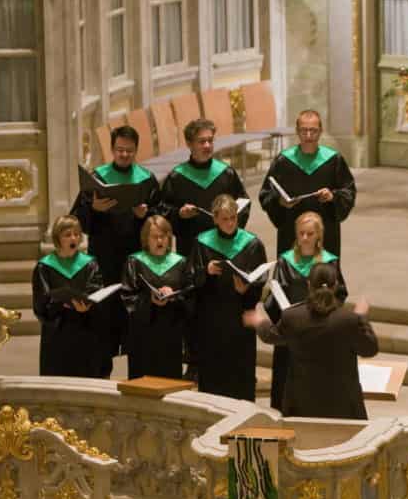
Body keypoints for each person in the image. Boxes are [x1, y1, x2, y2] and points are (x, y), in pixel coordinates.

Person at [70, 125, 160, 377]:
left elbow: (161, 222)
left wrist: (146, 215)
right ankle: (101, 377)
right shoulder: (98, 178)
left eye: (129, 151)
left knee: (136, 321)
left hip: (136, 262)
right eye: (119, 150)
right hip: (105, 260)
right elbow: (76, 221)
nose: (124, 155)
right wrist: (94, 209)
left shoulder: (146, 179)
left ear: (136, 151)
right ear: (112, 149)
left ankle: (139, 378)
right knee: (104, 321)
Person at [243, 264, 378, 419]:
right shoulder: (348, 320)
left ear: (308, 285)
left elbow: (271, 335)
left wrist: (260, 321)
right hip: (343, 407)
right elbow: (370, 349)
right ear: (335, 286)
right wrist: (361, 317)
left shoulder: (292, 317)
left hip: (301, 407)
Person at [186, 194, 267, 401]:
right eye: (225, 218)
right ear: (214, 218)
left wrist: (246, 291)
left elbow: (260, 278)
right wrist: (206, 271)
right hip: (211, 318)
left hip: (239, 317)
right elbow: (190, 278)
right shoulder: (202, 242)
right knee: (214, 373)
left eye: (233, 218)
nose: (230, 223)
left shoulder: (252, 244)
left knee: (241, 372)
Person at [264, 211, 347, 412]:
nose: (304, 238)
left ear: (318, 236)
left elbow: (340, 294)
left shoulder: (329, 262)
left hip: (319, 328)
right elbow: (276, 295)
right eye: (301, 233)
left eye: (309, 234)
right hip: (292, 328)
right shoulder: (285, 261)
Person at [258, 110, 356, 258]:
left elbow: (348, 192)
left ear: (321, 131)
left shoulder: (333, 160)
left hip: (325, 234)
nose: (309, 136)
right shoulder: (284, 161)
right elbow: (265, 194)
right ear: (297, 131)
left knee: (322, 275)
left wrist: (332, 197)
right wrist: (280, 201)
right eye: (304, 131)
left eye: (313, 131)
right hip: (291, 232)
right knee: (291, 275)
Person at [158, 118, 250, 260]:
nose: (207, 145)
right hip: (191, 248)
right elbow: (163, 210)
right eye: (201, 141)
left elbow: (244, 202)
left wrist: (231, 225)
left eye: (210, 140)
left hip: (224, 246)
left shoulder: (226, 173)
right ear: (189, 144)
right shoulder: (177, 177)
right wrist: (180, 214)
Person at [32, 215, 105, 377]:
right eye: (67, 235)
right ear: (58, 238)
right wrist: (60, 304)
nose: (74, 238)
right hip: (59, 331)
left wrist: (88, 304)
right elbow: (41, 302)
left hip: (85, 328)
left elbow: (96, 289)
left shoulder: (89, 263)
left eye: (77, 234)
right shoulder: (44, 267)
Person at [121, 215, 190, 380]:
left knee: (169, 382)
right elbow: (127, 296)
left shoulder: (180, 263)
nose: (160, 240)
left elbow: (189, 295)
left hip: (170, 332)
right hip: (143, 333)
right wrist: (149, 300)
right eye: (155, 236)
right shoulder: (134, 262)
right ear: (146, 239)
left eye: (163, 236)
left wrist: (172, 295)